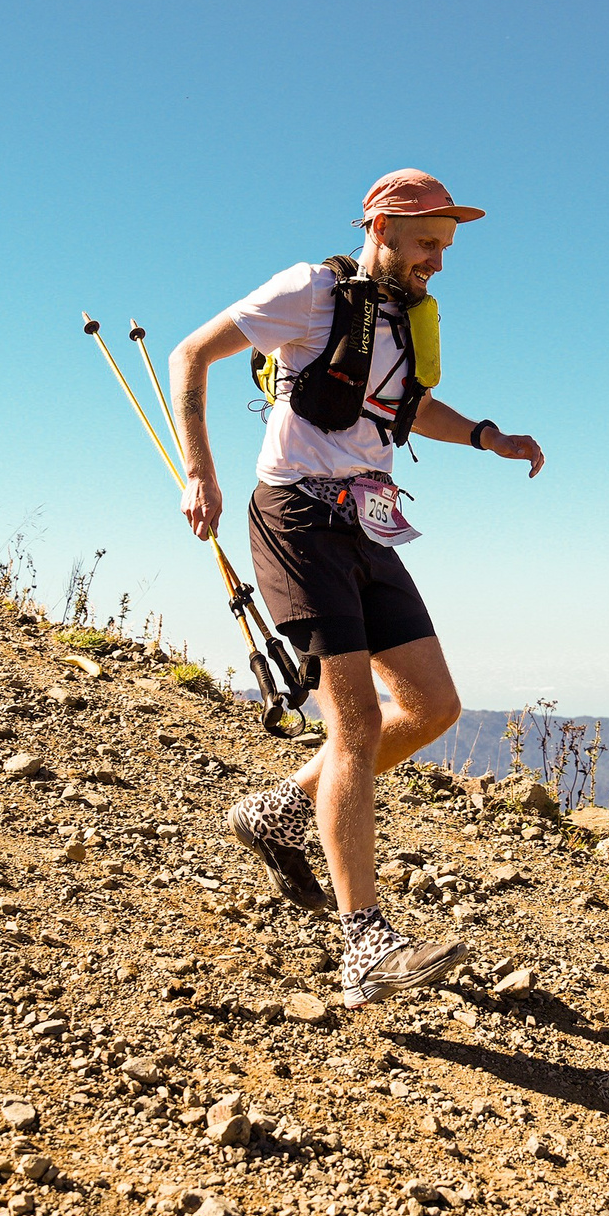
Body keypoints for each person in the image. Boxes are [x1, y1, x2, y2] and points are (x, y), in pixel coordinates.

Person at [169, 168, 545, 1008]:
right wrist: (200, 470)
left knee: (433, 706)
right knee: (358, 723)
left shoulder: (406, 318)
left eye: (444, 248)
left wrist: (487, 436)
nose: (438, 262)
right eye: (426, 244)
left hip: (368, 519)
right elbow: (190, 353)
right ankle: (364, 944)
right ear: (380, 228)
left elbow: (407, 411)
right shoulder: (310, 291)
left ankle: (278, 808)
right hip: (298, 518)